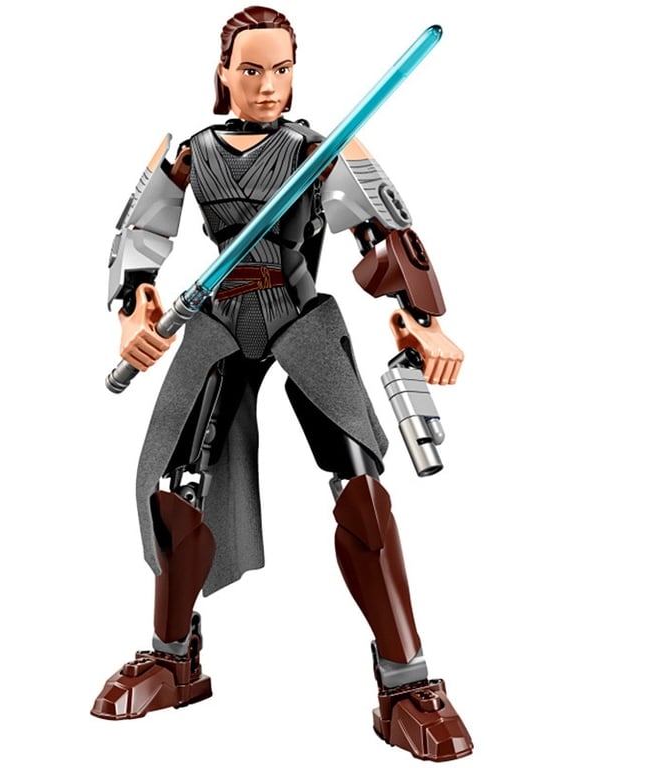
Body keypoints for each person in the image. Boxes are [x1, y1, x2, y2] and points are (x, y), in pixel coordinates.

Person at [93, 6, 472, 761]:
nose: (269, 85)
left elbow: (384, 234)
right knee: (174, 488)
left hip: (298, 315)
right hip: (217, 319)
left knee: (361, 488)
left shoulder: (320, 150)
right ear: (224, 72)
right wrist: (134, 314)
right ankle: (173, 657)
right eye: (252, 69)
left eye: (282, 69)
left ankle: (405, 685)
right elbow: (139, 235)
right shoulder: (192, 154)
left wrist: (422, 319)